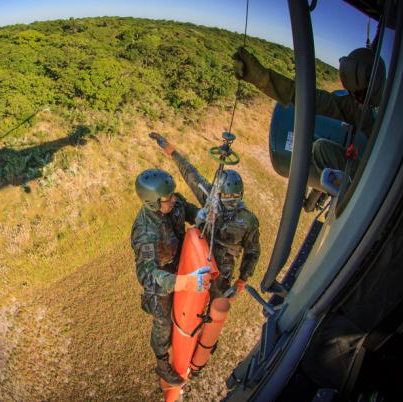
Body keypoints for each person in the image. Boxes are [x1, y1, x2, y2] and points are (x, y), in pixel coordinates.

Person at [232, 46, 386, 209]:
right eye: (351, 93)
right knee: (320, 149)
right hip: (367, 166)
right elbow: (307, 97)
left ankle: (356, 201)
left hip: (378, 181)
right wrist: (260, 77)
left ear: (374, 91)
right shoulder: (356, 105)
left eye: (359, 95)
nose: (355, 100)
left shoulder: (386, 118)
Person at [149, 133, 261, 302]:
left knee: (206, 306)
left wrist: (242, 280)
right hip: (201, 260)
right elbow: (189, 172)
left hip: (215, 271)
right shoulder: (237, 213)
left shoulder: (228, 209)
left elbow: (252, 252)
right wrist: (169, 148)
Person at [131, 168, 208, 385]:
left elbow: (187, 209)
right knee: (163, 322)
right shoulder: (145, 232)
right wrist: (183, 282)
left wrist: (199, 216)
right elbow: (147, 275)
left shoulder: (173, 201)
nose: (173, 199)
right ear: (153, 203)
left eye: (173, 194)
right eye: (168, 198)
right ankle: (162, 363)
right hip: (162, 280)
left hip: (181, 265)